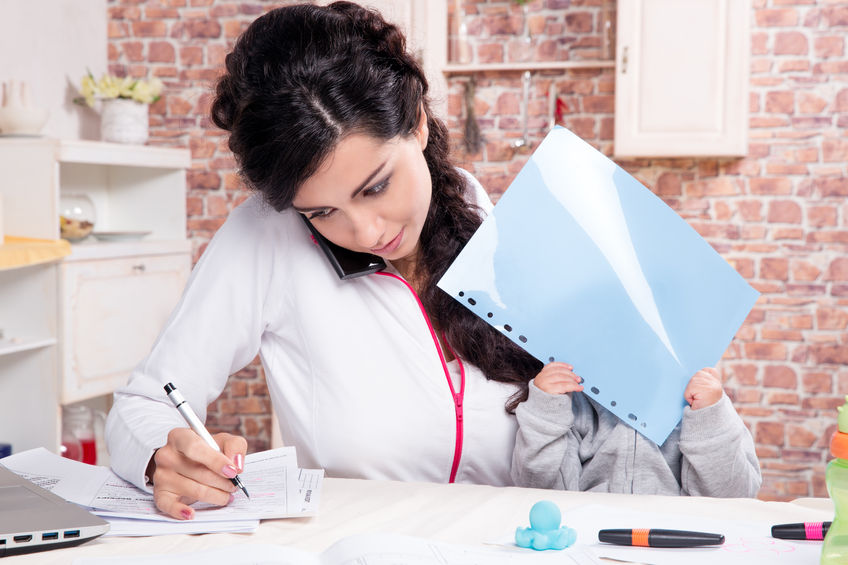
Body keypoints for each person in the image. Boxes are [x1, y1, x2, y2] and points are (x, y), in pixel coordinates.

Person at [105, 1, 543, 521]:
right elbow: (143, 404)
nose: (366, 232)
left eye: (377, 186)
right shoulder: (267, 235)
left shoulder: (467, 200)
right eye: (322, 211)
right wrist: (162, 455)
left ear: (419, 124)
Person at [510, 363, 762, 496]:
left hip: (678, 542)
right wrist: (546, 407)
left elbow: (734, 496)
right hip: (589, 539)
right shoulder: (575, 403)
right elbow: (537, 490)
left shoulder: (705, 404)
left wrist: (709, 415)